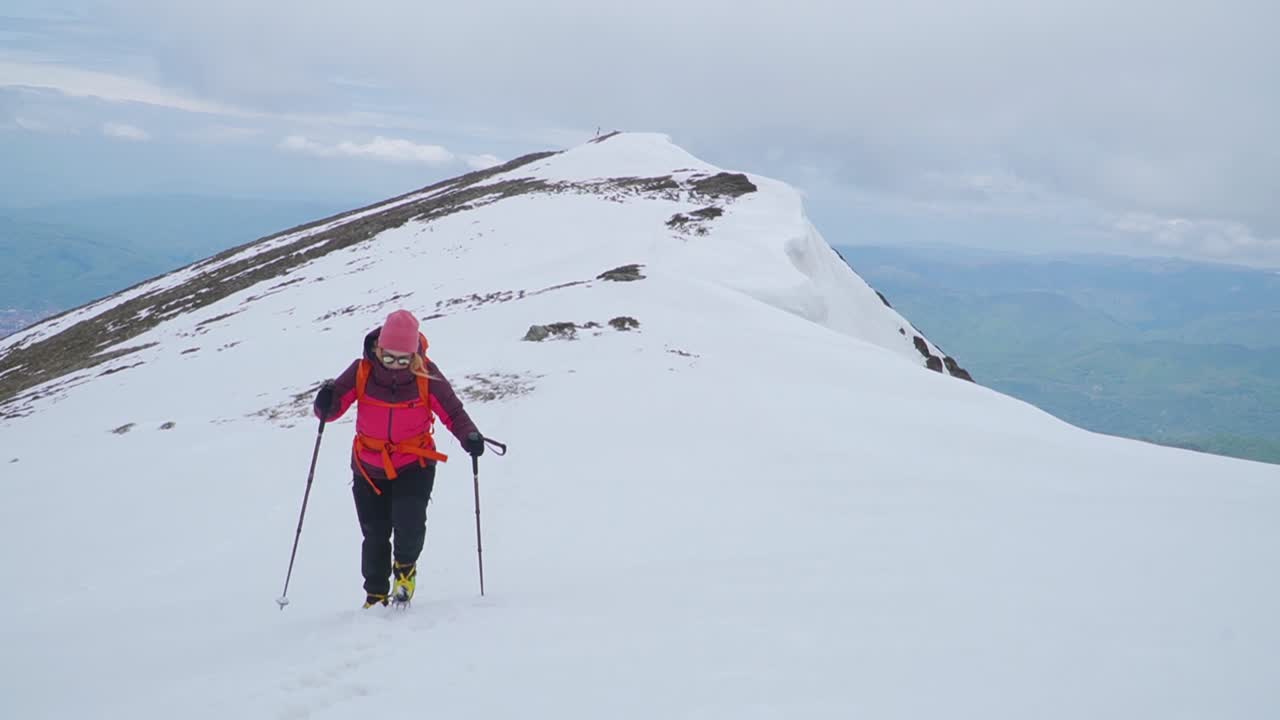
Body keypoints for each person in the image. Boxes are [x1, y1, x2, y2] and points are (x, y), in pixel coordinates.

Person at [313, 309, 486, 608]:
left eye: (402, 359)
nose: (395, 364)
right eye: (388, 357)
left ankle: (405, 572)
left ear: (414, 354)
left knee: (410, 521)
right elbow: (330, 411)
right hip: (368, 466)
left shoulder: (426, 375)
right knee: (375, 533)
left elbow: (453, 412)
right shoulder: (360, 372)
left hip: (414, 464)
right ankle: (376, 594)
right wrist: (325, 402)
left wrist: (469, 436)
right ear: (378, 348)